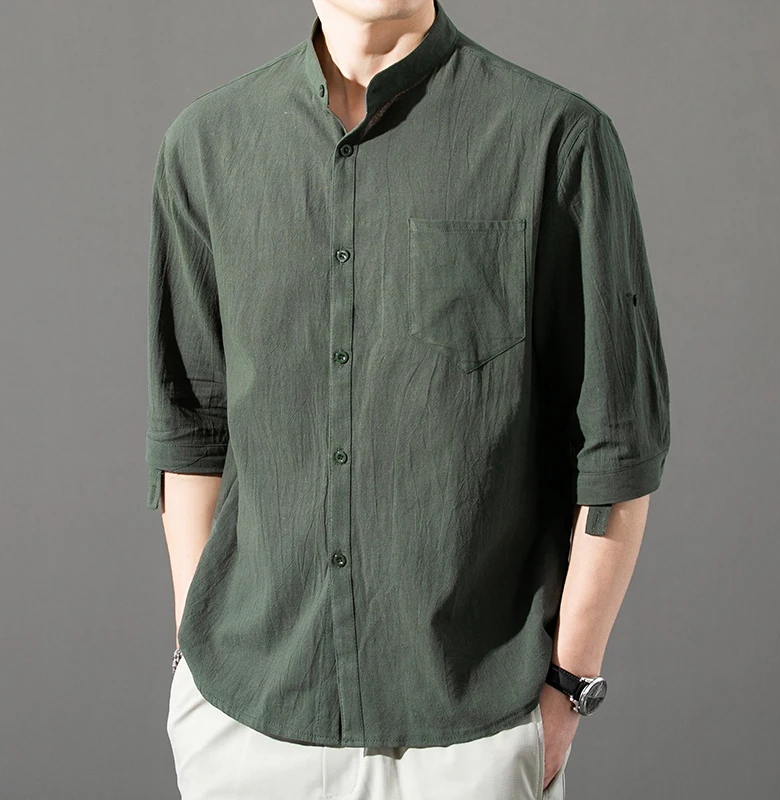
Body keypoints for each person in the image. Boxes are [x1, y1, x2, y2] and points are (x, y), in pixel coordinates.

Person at [145, 1, 671, 797]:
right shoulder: (206, 145)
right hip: (244, 718)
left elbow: (620, 445)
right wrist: (196, 651)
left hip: (474, 729)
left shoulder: (555, 139)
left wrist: (569, 689)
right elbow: (190, 425)